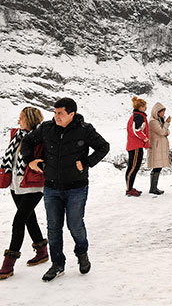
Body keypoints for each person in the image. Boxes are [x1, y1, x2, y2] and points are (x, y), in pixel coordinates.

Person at [21, 97, 110, 282]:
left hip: (76, 188)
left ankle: (82, 253)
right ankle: (57, 264)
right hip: (51, 187)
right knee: (53, 228)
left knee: (75, 225)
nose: (56, 116)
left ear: (72, 114)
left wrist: (86, 163)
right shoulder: (46, 128)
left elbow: (103, 147)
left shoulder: (85, 130)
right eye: (54, 112)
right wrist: (30, 160)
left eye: (60, 113)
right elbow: (27, 142)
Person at [0, 107, 48, 280]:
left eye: (21, 118)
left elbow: (45, 160)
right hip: (16, 184)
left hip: (34, 186)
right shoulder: (16, 135)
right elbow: (10, 159)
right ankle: (42, 251)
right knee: (29, 218)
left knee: (18, 221)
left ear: (30, 119)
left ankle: (8, 264)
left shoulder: (41, 137)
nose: (18, 121)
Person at [125, 96, 149, 197]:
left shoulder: (137, 115)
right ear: (140, 107)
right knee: (133, 167)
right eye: (144, 106)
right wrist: (145, 138)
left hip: (134, 145)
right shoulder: (138, 116)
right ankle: (129, 189)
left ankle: (129, 187)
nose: (146, 108)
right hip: (136, 145)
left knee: (132, 166)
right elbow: (137, 130)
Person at [147, 102, 171, 195]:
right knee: (156, 167)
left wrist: (166, 128)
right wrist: (167, 124)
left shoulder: (159, 120)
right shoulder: (153, 121)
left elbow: (166, 132)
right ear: (157, 112)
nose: (163, 113)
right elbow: (162, 132)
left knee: (158, 167)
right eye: (162, 112)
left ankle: (154, 187)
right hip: (156, 147)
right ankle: (153, 188)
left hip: (159, 147)